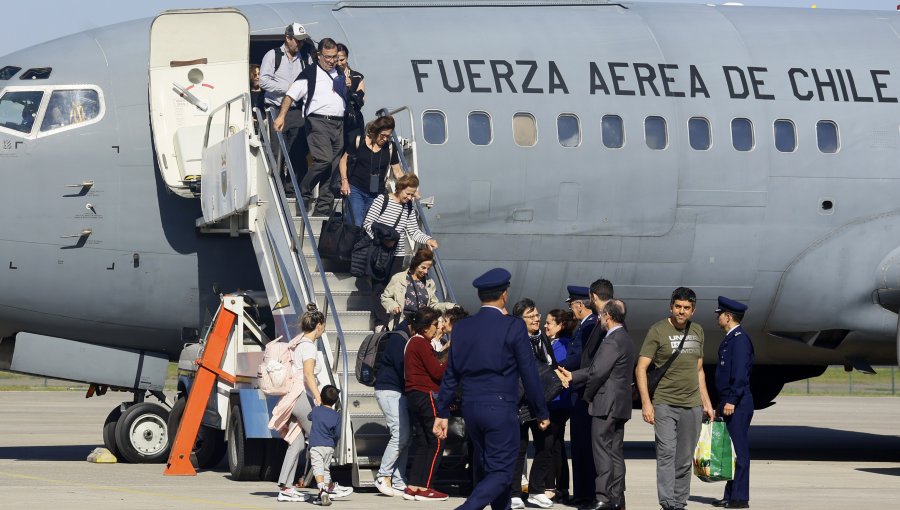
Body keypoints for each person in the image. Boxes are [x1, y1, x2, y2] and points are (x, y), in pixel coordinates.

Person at [433, 268, 552, 510]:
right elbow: (529, 373)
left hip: (471, 408)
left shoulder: (464, 327)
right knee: (503, 472)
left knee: (490, 468)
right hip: (500, 407)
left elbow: (452, 372)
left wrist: (442, 411)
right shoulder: (513, 326)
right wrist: (541, 411)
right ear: (504, 295)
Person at [635, 287, 715, 510]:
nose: (681, 311)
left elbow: (699, 371)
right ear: (671, 307)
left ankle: (679, 502)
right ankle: (667, 502)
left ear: (693, 310)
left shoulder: (697, 331)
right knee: (666, 453)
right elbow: (641, 368)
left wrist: (706, 403)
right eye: (678, 307)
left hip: (692, 406)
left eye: (686, 308)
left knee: (684, 458)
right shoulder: (658, 331)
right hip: (665, 404)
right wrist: (646, 403)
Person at [560, 300, 635, 510]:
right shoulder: (626, 338)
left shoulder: (612, 340)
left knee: (601, 451)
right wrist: (573, 375)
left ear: (608, 316)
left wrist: (588, 395)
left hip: (606, 403)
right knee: (615, 452)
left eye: (601, 315)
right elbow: (598, 369)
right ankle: (617, 496)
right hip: (620, 404)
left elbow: (597, 372)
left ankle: (603, 497)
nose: (599, 319)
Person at [274, 37, 346, 216]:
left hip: (338, 123)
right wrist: (281, 116)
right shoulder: (310, 73)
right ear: (319, 55)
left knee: (333, 167)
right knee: (324, 160)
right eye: (328, 57)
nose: (331, 61)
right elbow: (290, 95)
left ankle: (323, 207)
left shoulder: (339, 73)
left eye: (334, 57)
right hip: (318, 121)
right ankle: (304, 191)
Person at [362, 174, 438, 332]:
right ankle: (380, 322)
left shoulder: (408, 206)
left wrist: (428, 240)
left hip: (397, 253)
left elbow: (413, 231)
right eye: (407, 193)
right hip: (380, 252)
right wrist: (383, 240)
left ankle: (391, 318)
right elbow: (368, 224)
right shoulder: (382, 201)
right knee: (379, 287)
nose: (409, 197)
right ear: (399, 189)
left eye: (412, 194)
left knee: (395, 286)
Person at [268, 304, 325, 503]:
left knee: (298, 443)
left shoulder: (297, 342)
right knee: (319, 440)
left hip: (290, 396)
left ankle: (285, 487)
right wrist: (319, 400)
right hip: (301, 396)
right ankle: (327, 485)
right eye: (323, 326)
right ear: (319, 325)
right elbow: (309, 375)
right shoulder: (308, 347)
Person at [507, 299, 555, 510]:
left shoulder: (541, 338)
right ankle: (514, 493)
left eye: (537, 315)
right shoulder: (515, 340)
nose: (537, 319)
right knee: (520, 447)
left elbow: (550, 363)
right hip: (521, 401)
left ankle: (536, 490)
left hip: (541, 401)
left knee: (547, 443)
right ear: (520, 320)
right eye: (531, 316)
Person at [259, 23, 313, 192]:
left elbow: (311, 81)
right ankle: (276, 187)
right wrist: (288, 88)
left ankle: (293, 187)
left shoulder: (306, 59)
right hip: (275, 108)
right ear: (287, 38)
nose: (300, 44)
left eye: (302, 41)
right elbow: (263, 81)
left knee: (297, 151)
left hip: (297, 110)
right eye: (297, 41)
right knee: (276, 151)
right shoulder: (273, 55)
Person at [403, 307, 450, 501]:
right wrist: (451, 357)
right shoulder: (421, 343)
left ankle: (414, 485)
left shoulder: (414, 343)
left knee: (423, 441)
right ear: (424, 327)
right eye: (434, 325)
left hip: (414, 395)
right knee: (437, 440)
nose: (437, 328)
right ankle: (426, 486)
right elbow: (437, 372)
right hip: (425, 394)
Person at [711, 296, 754, 509]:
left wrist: (732, 400)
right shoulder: (731, 338)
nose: (718, 317)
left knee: (739, 452)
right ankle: (730, 495)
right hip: (729, 401)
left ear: (728, 317)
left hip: (738, 402)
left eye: (720, 314)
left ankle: (740, 498)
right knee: (731, 453)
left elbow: (740, 374)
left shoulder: (740, 340)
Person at [338, 115, 404, 226]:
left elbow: (397, 172)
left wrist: (410, 187)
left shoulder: (390, 147)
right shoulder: (359, 141)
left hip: (377, 194)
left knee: (370, 227)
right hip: (356, 189)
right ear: (375, 131)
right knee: (356, 224)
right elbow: (343, 161)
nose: (385, 139)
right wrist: (344, 182)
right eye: (382, 135)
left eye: (388, 136)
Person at [373, 322, 412, 497]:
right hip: (389, 390)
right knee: (400, 434)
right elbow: (403, 367)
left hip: (396, 391)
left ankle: (397, 480)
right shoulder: (399, 338)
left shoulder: (403, 337)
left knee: (405, 436)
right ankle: (383, 475)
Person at [566, 285, 597, 505]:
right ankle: (583, 492)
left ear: (579, 305)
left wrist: (555, 367)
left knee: (582, 444)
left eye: (572, 305)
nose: (571, 310)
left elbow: (579, 358)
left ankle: (585, 494)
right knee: (580, 444)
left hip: (582, 390)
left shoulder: (589, 327)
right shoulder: (586, 325)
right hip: (581, 388)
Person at [542, 309, 577, 503]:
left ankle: (551, 486)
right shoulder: (556, 343)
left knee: (550, 444)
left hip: (557, 402)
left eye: (549, 323)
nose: (545, 325)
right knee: (556, 445)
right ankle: (560, 487)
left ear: (560, 326)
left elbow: (553, 369)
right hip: (557, 402)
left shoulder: (560, 345)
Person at [381, 246, 450, 329]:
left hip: (422, 325)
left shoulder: (429, 282)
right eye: (423, 267)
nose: (426, 271)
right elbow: (385, 297)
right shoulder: (399, 278)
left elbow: (433, 305)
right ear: (415, 264)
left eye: (428, 268)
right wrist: (393, 306)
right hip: (403, 323)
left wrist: (448, 306)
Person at [308, 385, 352, 506]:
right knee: (326, 469)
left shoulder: (316, 410)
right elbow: (337, 433)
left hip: (316, 444)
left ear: (321, 398)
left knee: (318, 468)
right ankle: (323, 494)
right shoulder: (337, 416)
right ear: (335, 401)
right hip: (329, 446)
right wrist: (334, 442)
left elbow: (309, 417)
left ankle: (322, 490)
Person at [335, 43, 366, 148]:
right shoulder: (329, 77)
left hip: (353, 120)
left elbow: (361, 100)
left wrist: (348, 88)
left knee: (354, 152)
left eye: (342, 60)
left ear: (347, 58)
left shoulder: (357, 77)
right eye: (337, 59)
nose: (339, 63)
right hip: (337, 120)